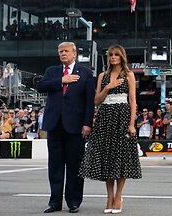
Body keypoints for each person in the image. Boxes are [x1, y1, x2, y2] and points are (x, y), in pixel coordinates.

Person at [79, 44, 142, 214]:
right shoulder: (102, 76)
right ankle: (109, 197)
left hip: (122, 117)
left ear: (122, 57)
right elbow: (96, 101)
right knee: (107, 158)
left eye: (116, 54)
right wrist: (109, 86)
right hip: (105, 118)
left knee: (120, 158)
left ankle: (119, 196)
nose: (113, 57)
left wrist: (131, 124)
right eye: (111, 55)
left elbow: (133, 101)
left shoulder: (128, 75)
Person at [36, 41, 95, 213]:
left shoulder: (85, 73)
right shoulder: (52, 71)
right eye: (60, 51)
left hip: (76, 126)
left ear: (74, 53)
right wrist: (62, 80)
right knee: (55, 166)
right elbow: (40, 86)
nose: (63, 54)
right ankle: (55, 202)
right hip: (54, 124)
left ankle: (74, 201)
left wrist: (87, 123)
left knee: (75, 166)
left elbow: (89, 102)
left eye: (66, 51)